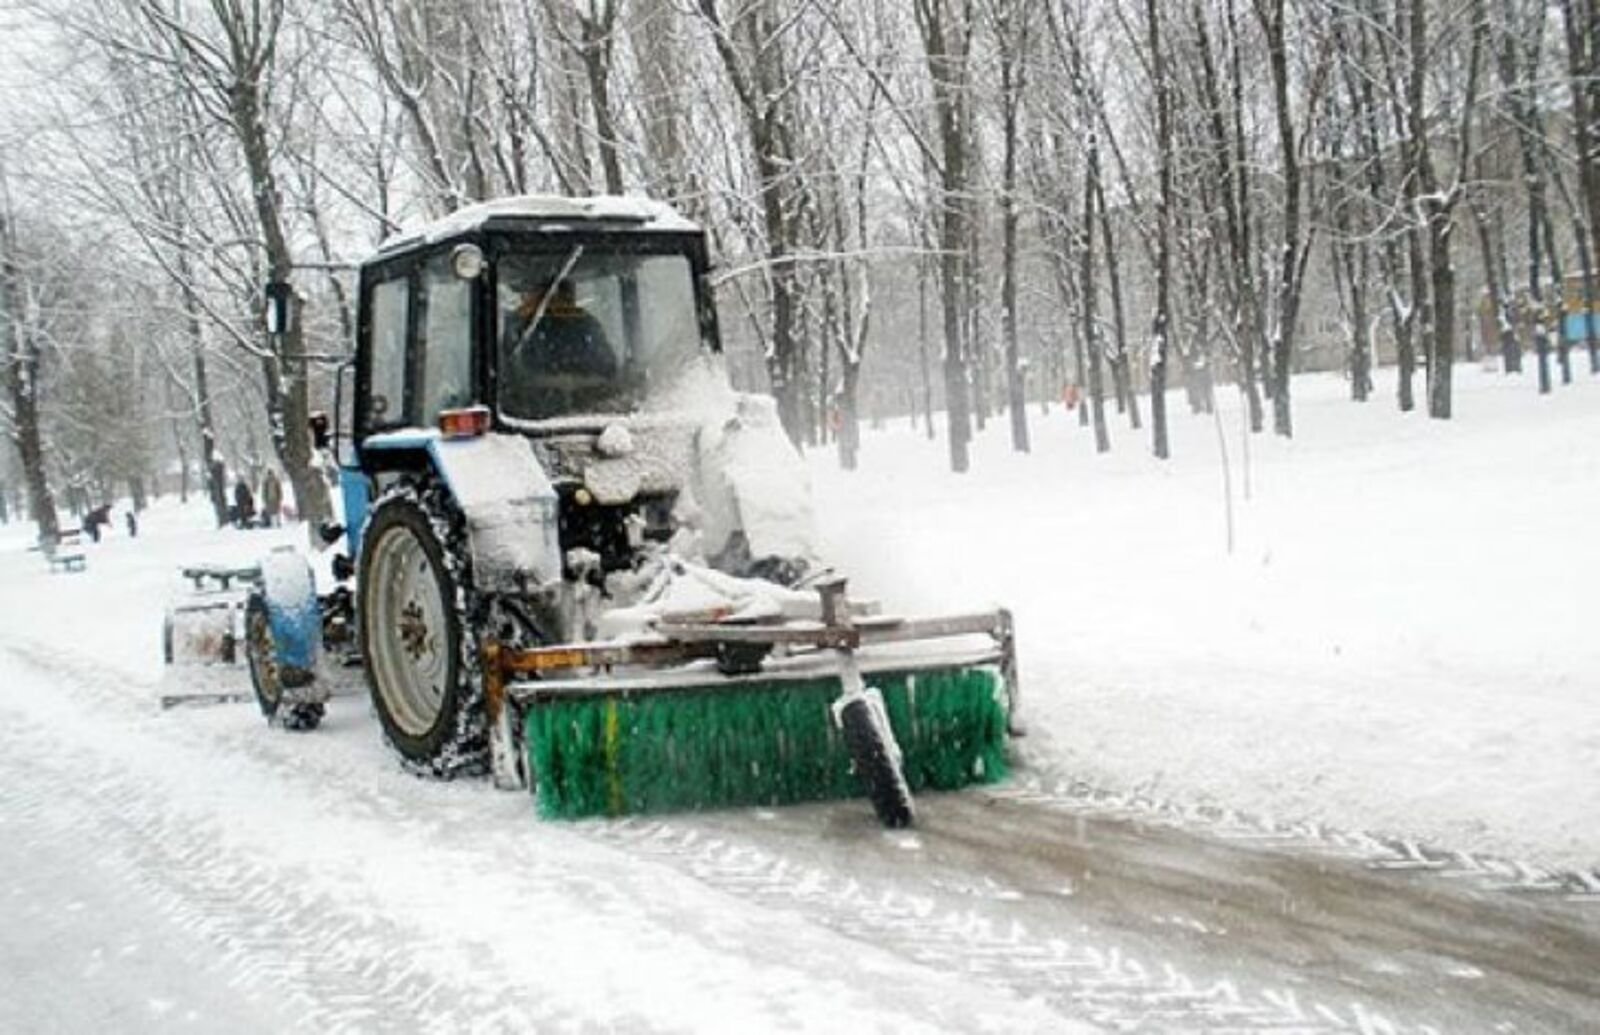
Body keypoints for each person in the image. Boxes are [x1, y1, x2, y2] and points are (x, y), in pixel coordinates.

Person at [505, 279, 619, 380]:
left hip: (536, 399)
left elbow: (508, 375)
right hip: (586, 398)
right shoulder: (587, 324)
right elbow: (609, 370)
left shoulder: (517, 325)